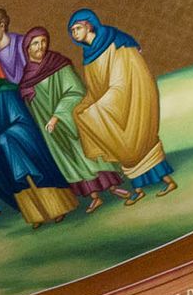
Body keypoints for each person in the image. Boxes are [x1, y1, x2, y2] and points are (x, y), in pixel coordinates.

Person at [11, 27, 125, 213]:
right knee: (71, 158)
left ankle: (113, 187)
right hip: (52, 131)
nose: (41, 46)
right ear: (27, 48)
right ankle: (94, 197)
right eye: (36, 43)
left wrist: (58, 115)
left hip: (71, 120)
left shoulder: (58, 63)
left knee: (88, 152)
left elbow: (75, 91)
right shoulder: (26, 80)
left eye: (44, 41)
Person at [68, 8, 177, 199]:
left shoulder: (115, 43)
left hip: (129, 100)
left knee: (138, 142)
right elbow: (95, 89)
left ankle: (168, 181)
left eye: (77, 28)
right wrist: (85, 107)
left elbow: (122, 81)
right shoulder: (88, 56)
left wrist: (100, 107)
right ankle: (139, 190)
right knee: (122, 144)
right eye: (72, 31)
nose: (74, 33)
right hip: (111, 107)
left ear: (89, 25)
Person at [0, 53, 77, 228]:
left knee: (35, 171)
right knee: (16, 180)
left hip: (20, 142)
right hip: (2, 151)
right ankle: (36, 214)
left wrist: (10, 136)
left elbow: (21, 118)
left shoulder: (5, 90)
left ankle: (59, 207)